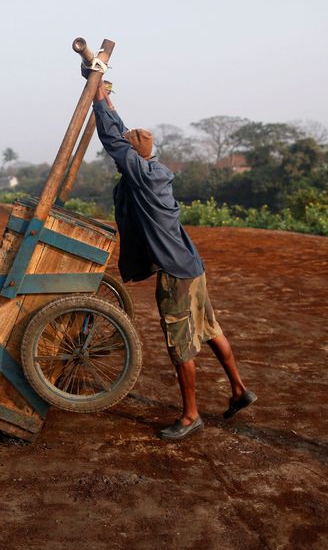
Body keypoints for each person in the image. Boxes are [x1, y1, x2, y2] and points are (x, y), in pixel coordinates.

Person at [92, 80, 257, 441]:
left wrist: (95, 97)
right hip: (191, 265)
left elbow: (112, 140)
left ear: (134, 157)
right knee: (211, 329)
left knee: (179, 343)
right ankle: (239, 389)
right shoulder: (155, 171)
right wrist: (105, 97)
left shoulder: (139, 177)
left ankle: (190, 415)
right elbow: (121, 136)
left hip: (175, 273)